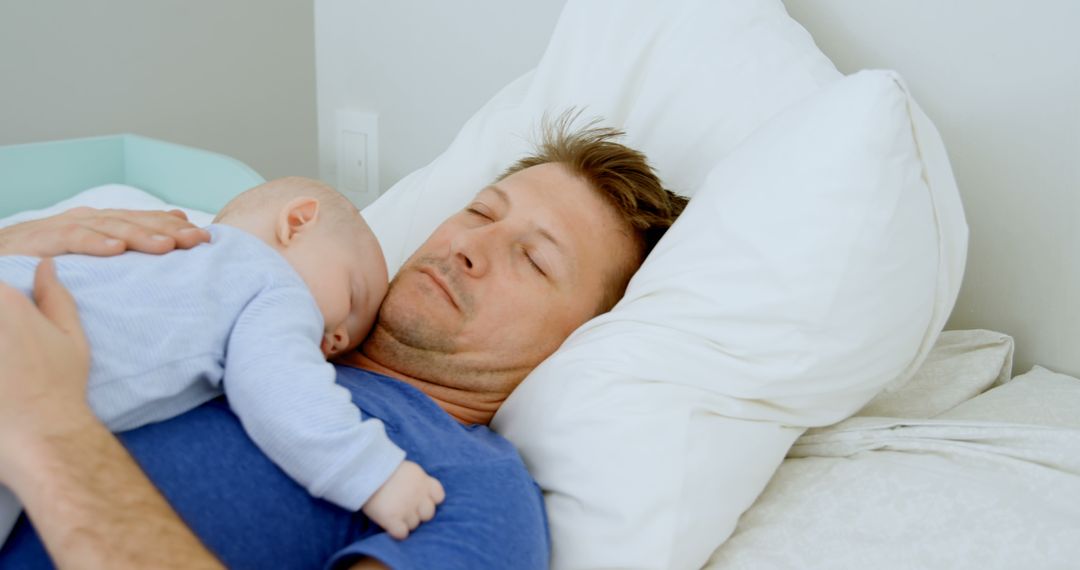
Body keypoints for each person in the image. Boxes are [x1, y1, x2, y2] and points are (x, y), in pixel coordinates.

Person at [0, 117, 688, 569]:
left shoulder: (470, 492)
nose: (473, 246)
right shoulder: (230, 272)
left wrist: (52, 433)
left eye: (534, 260)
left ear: (580, 340)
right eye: (480, 211)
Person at [0, 176, 445, 546]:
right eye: (353, 298)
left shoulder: (167, 251)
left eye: (348, 338)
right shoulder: (272, 282)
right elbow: (281, 389)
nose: (340, 338)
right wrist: (374, 474)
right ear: (297, 222)